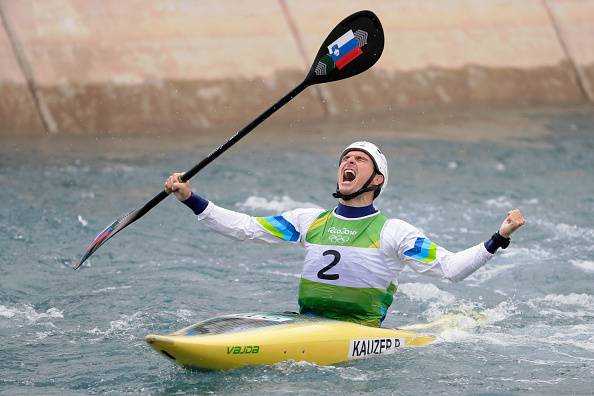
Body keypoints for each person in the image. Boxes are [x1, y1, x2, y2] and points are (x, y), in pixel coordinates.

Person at [164, 141, 525, 327]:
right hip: (305, 323)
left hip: (359, 333)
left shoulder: (394, 232)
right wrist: (190, 198)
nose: (348, 163)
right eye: (344, 159)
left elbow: (451, 269)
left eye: (359, 160)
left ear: (377, 179)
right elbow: (245, 228)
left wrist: (499, 236)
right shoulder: (309, 220)